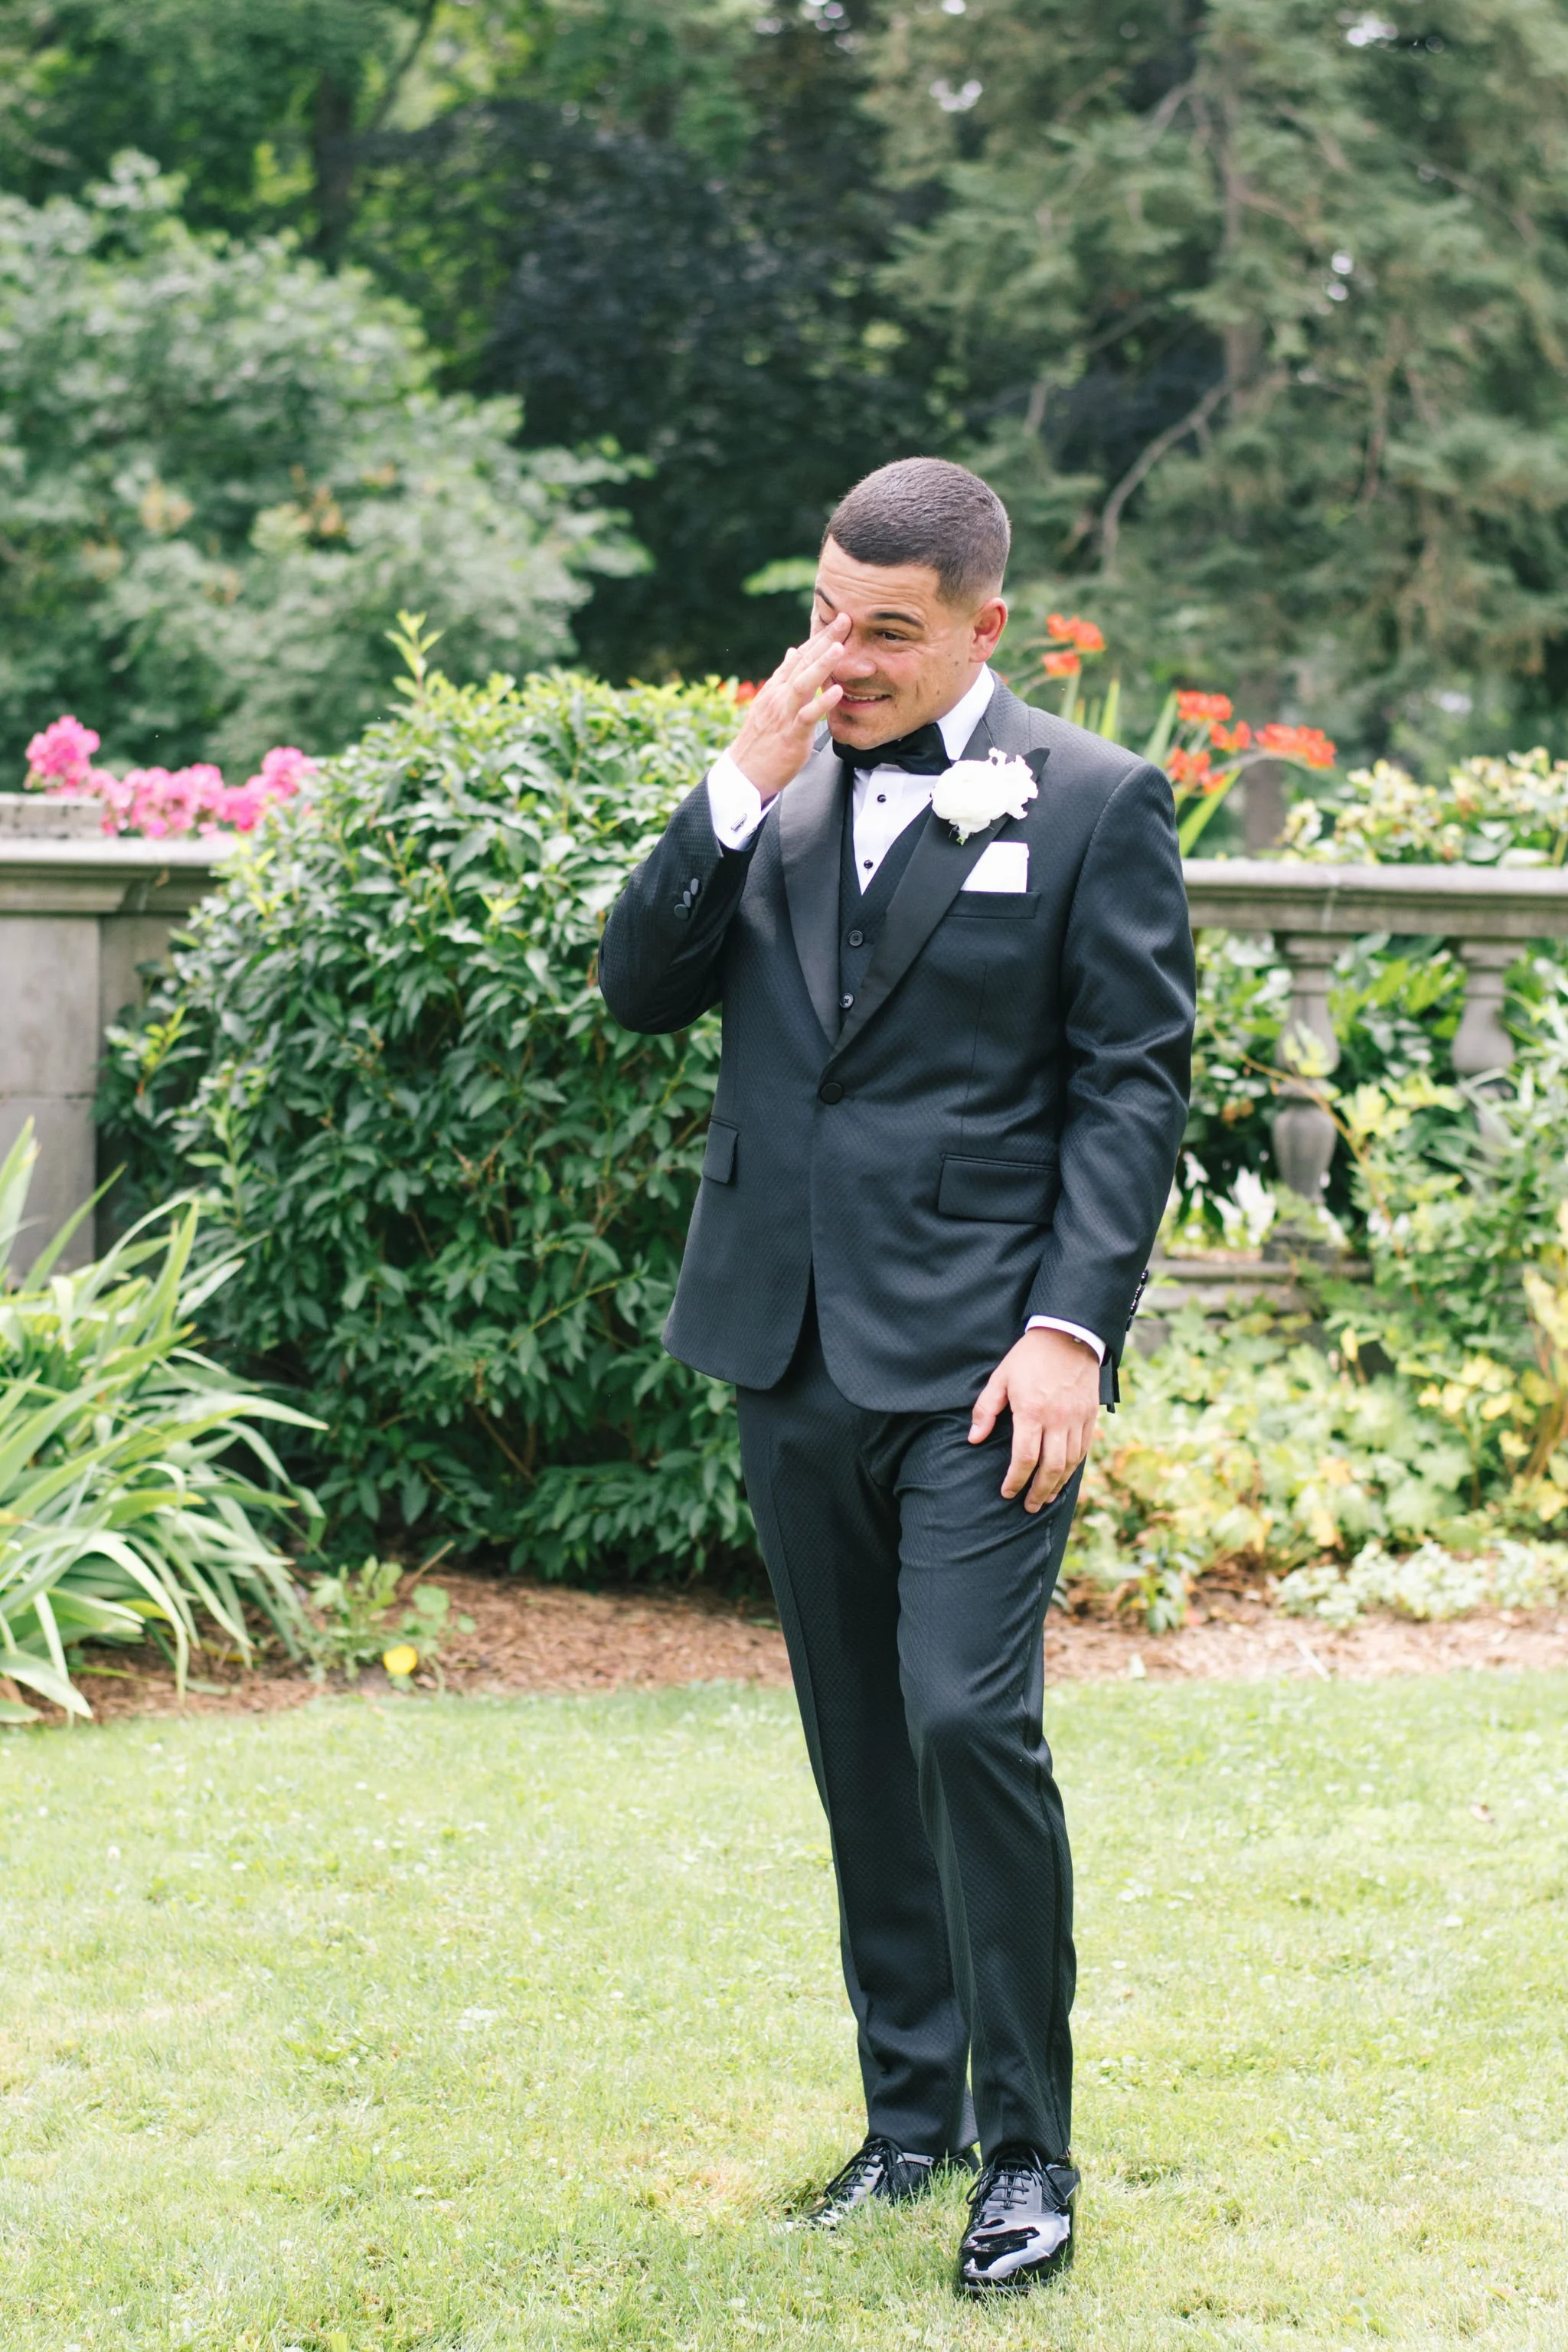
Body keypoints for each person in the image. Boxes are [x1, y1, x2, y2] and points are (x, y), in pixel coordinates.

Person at [599, 456, 1195, 2298]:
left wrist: (1069, 1330)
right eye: (822, 618)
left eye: (885, 632)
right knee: (859, 1742)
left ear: (983, 627)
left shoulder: (1093, 799)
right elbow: (636, 989)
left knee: (961, 1721)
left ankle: (1028, 2156)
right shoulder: (769, 794)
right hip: (784, 1341)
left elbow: (1130, 1088)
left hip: (989, 1364)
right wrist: (732, 786)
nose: (840, 659)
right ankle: (907, 2122)